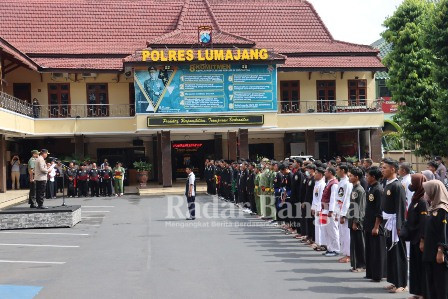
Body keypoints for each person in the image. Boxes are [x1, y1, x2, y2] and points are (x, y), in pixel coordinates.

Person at [381, 158, 408, 293]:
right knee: (391, 253)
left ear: (393, 169)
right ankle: (394, 281)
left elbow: (400, 208)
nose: (382, 170)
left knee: (399, 254)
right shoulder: (387, 184)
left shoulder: (397, 186)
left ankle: (402, 283)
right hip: (388, 223)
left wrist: (399, 227)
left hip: (395, 224)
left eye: (385, 167)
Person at [422, 180, 448, 299]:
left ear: (434, 191)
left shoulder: (442, 210)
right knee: (431, 281)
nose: (425, 194)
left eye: (427, 191)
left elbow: (443, 232)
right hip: (430, 251)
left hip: (437, 252)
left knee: (440, 282)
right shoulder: (433, 207)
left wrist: (440, 250)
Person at [406, 174, 428, 299]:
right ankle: (417, 292)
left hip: (419, 239)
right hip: (413, 238)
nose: (411, 185)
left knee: (421, 268)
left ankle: (423, 293)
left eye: (413, 182)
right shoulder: (415, 198)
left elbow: (423, 222)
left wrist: (422, 240)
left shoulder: (423, 201)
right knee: (414, 267)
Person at [364, 167, 386, 282]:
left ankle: (378, 274)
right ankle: (371, 272)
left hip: (375, 225)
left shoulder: (378, 189)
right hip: (368, 223)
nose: (366, 177)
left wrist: (376, 226)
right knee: (369, 250)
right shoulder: (370, 187)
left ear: (373, 177)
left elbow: (379, 210)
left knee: (377, 251)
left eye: (368, 176)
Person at [347, 167, 366, 272]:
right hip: (352, 218)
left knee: (359, 243)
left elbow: (360, 207)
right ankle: (355, 264)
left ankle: (361, 265)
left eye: (351, 176)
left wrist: (356, 221)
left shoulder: (359, 189)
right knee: (354, 243)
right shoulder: (354, 188)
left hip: (357, 220)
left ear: (357, 177)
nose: (349, 177)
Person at [336, 164, 353, 263]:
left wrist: (343, 214)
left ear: (343, 170)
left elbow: (347, 200)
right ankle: (345, 253)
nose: (336, 171)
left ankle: (349, 255)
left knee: (347, 234)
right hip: (339, 209)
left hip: (344, 211)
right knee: (342, 234)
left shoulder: (347, 183)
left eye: (337, 170)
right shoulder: (341, 182)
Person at [321, 167, 340, 257]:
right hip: (324, 208)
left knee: (333, 230)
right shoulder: (328, 182)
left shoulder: (334, 184)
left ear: (330, 173)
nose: (325, 173)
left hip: (329, 209)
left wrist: (331, 211)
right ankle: (330, 248)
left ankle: (336, 249)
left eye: (326, 172)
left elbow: (333, 199)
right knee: (326, 230)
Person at [311, 167, 327, 251]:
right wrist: (313, 207)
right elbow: (315, 197)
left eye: (316, 173)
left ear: (320, 175)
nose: (314, 174)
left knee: (321, 226)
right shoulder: (317, 183)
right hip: (316, 207)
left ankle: (322, 243)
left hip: (321, 208)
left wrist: (319, 209)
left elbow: (321, 198)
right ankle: (318, 242)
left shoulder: (322, 184)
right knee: (317, 226)